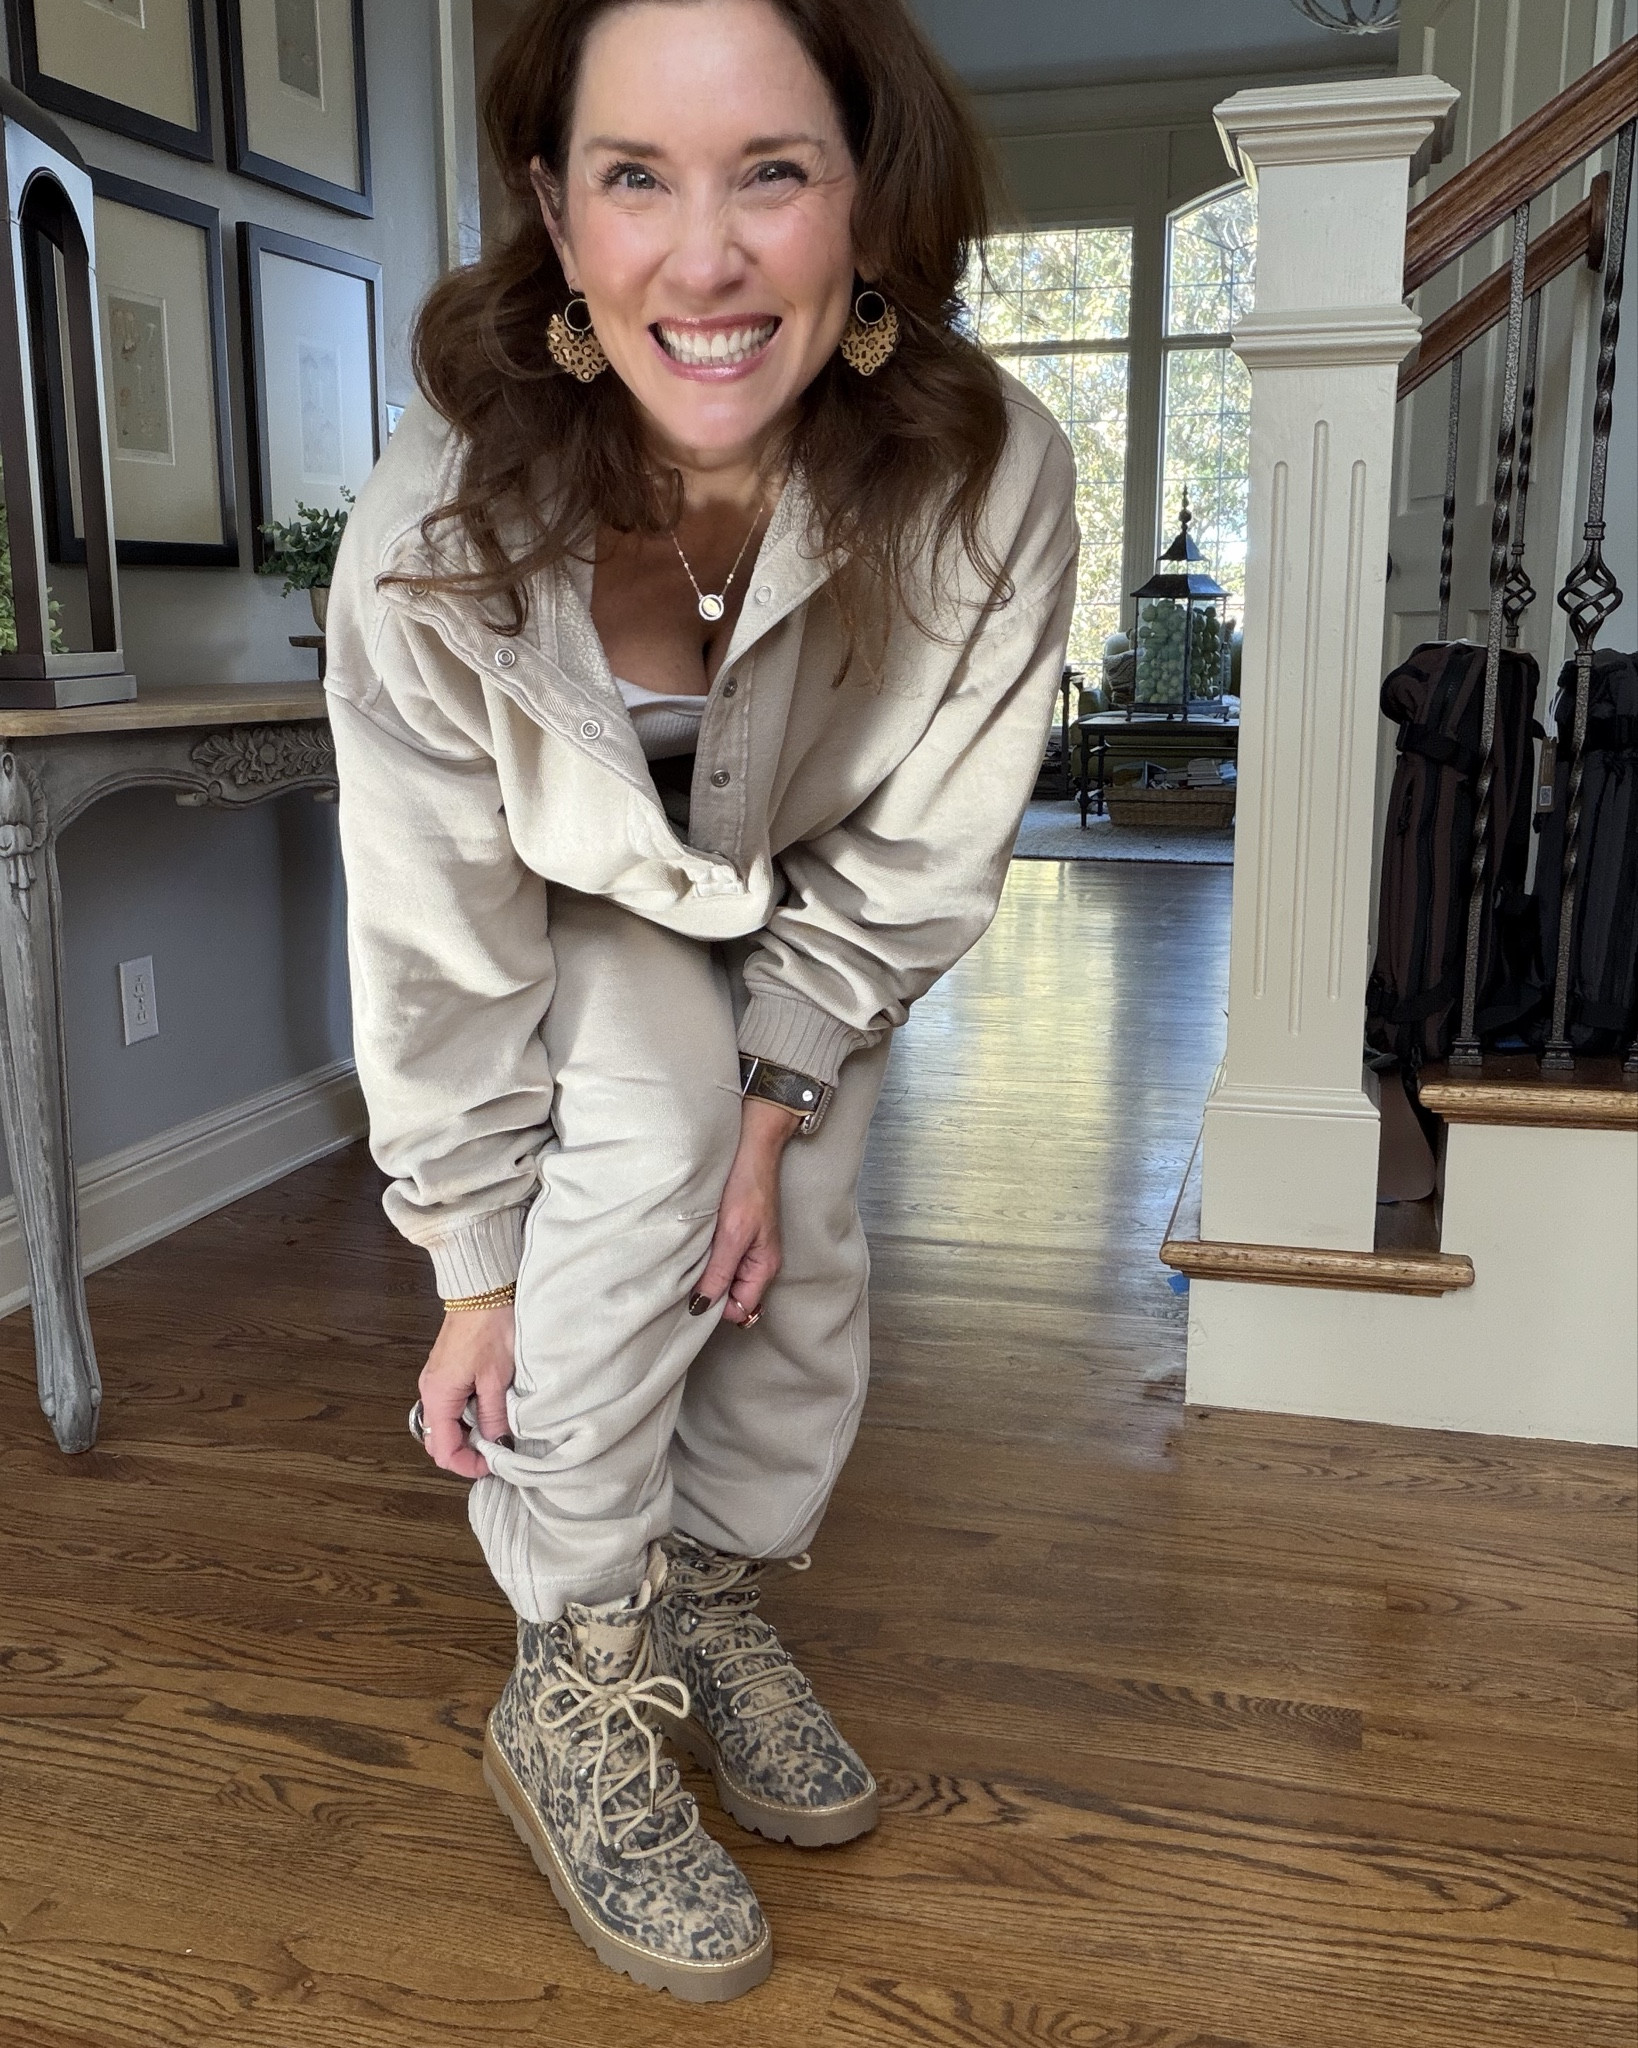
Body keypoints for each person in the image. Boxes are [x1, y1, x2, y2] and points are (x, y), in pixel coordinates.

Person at [326, 0, 1077, 2004]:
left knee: (793, 1217)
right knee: (648, 1122)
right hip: (557, 906)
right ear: (557, 213)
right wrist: (474, 1266)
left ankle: (703, 1587)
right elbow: (435, 927)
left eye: (772, 172)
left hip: (815, 895)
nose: (705, 256)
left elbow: (918, 850)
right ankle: (576, 1663)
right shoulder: (433, 529)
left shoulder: (993, 478)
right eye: (635, 177)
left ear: (869, 199)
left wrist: (782, 1107)